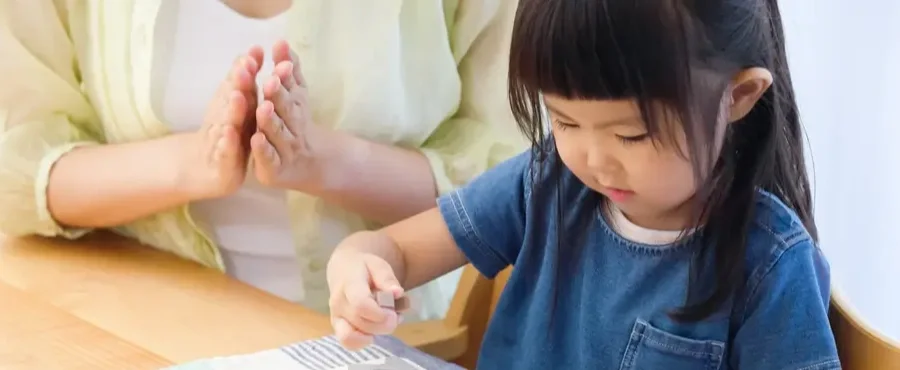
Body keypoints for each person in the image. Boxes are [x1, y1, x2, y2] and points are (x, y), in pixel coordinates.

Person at [325, 0, 842, 368]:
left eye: (632, 134)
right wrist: (358, 269)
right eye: (564, 121)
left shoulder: (770, 265)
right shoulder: (548, 181)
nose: (594, 161)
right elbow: (394, 247)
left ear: (741, 95)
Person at [0, 0, 523, 319]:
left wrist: (323, 161)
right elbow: (15, 172)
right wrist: (196, 162)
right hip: (133, 325)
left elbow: (523, 190)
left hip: (378, 342)